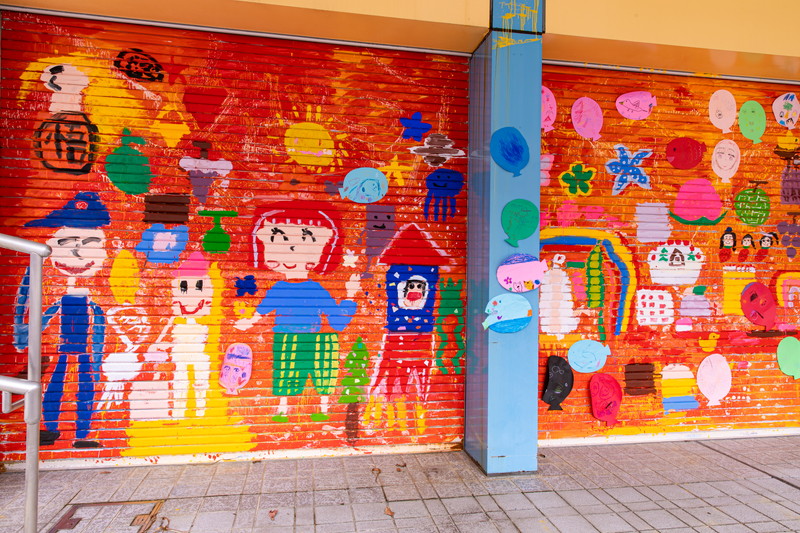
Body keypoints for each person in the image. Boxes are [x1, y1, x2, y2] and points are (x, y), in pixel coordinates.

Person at [236, 201, 359, 421]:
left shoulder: (315, 289)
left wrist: (350, 295)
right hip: (286, 338)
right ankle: (284, 409)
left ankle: (321, 410)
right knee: (286, 373)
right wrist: (249, 321)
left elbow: (336, 320)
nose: (292, 250)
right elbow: (263, 309)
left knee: (318, 372)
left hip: (309, 339)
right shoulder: (280, 288)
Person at [14, 192, 109, 447]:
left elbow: (99, 329)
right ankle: (50, 428)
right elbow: (44, 318)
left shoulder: (92, 304)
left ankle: (82, 434)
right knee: (57, 385)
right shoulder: (61, 299)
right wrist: (25, 335)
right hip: (63, 350)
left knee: (85, 387)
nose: (77, 253)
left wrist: (98, 358)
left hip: (83, 352)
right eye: (67, 243)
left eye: (89, 244)